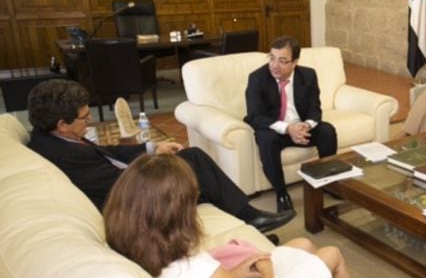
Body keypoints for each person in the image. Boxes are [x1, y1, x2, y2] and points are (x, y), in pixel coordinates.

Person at [103, 154, 350, 278]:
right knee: (332, 253)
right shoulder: (195, 272)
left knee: (303, 245)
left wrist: (235, 274)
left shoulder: (133, 248)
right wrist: (267, 273)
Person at [27, 79, 293, 234]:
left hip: (130, 186)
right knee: (195, 163)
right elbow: (118, 182)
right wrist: (157, 164)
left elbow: (108, 154)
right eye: (85, 118)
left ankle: (245, 220)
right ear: (62, 123)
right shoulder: (61, 154)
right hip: (132, 201)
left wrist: (152, 148)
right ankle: (250, 218)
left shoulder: (57, 136)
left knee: (194, 161)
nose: (90, 121)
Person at [244, 36, 338, 213]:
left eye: (282, 61)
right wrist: (288, 129)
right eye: (271, 58)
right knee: (266, 139)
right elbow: (255, 116)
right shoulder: (257, 78)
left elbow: (315, 109)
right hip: (275, 129)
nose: (274, 65)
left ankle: (328, 182)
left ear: (295, 62)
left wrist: (306, 126)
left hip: (300, 128)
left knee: (327, 131)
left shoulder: (308, 75)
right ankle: (281, 194)